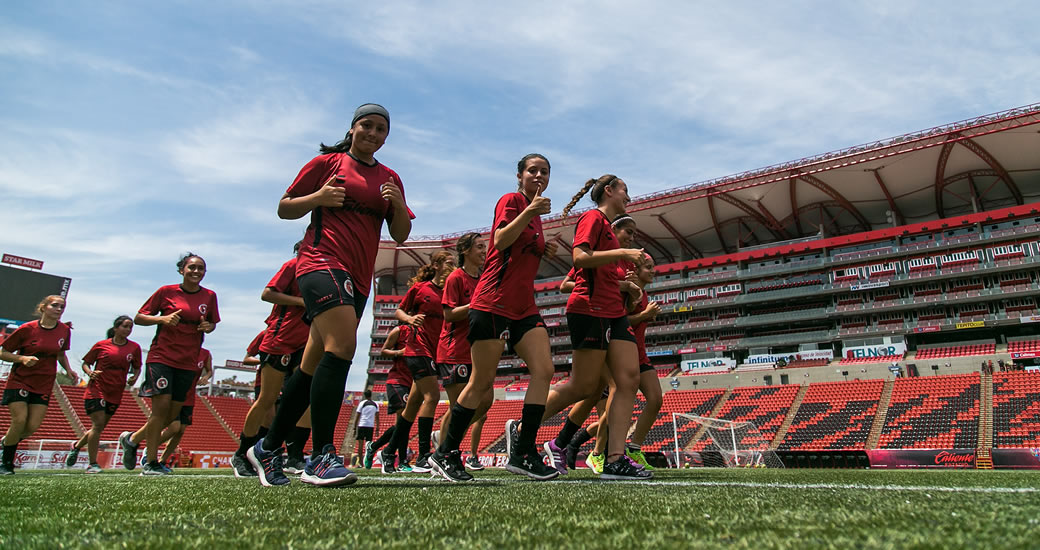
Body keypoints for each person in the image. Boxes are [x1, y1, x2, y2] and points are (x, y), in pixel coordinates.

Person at [247, 103, 413, 488]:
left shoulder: (390, 177)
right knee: (341, 349)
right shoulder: (327, 163)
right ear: (353, 128)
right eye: (366, 126)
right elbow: (284, 208)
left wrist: (400, 205)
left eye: (381, 129)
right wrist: (318, 198)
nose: (373, 134)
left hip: (357, 277)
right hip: (320, 262)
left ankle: (267, 448)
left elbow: (401, 234)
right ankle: (321, 456)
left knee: (311, 366)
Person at [429, 153, 559, 482]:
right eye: (533, 170)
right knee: (482, 383)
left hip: (523, 307)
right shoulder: (513, 201)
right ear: (520, 176)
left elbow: (518, 258)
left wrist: (543, 250)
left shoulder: (536, 216)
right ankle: (445, 453)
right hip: (492, 303)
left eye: (545, 171)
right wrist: (529, 210)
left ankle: (524, 452)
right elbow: (499, 241)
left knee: (544, 370)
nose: (539, 175)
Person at [540, 174, 650, 480]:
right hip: (590, 309)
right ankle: (525, 428)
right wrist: (622, 255)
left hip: (612, 312)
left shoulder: (610, 233)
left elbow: (603, 273)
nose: (629, 196)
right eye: (625, 190)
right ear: (610, 191)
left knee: (628, 379)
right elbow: (580, 257)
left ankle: (614, 459)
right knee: (583, 386)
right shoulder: (592, 218)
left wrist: (625, 284)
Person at [123, 253, 219, 476]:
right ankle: (151, 462)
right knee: (161, 409)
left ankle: (132, 439)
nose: (196, 272)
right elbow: (139, 317)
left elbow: (212, 323)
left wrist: (208, 327)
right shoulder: (166, 291)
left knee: (171, 415)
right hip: (162, 357)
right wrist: (161, 319)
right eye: (192, 267)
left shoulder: (210, 296)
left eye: (201, 268)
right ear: (181, 270)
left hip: (188, 361)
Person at [232, 243, 311, 478]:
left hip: (306, 343)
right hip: (280, 339)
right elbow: (267, 294)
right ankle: (242, 453)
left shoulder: (325, 273)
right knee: (267, 400)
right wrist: (300, 302)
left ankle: (295, 456)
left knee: (304, 400)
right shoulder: (292, 266)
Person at [383, 251, 455, 473]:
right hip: (418, 348)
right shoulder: (420, 289)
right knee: (432, 397)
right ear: (436, 266)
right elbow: (399, 311)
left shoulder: (451, 291)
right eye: (449, 263)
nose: (452, 266)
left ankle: (387, 452)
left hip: (437, 351)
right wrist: (410, 319)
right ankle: (424, 455)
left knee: (412, 407)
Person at [0, 295, 78, 475]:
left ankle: (5, 443)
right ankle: (6, 464)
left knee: (32, 426)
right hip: (20, 379)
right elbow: (3, 352)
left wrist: (68, 370)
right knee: (19, 420)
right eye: (55, 305)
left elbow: (60, 355)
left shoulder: (65, 330)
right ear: (43, 307)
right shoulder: (27, 329)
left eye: (62, 306)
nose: (59, 309)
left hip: (44, 382)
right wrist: (22, 358)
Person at [435, 232, 492, 471]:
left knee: (485, 401)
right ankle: (445, 453)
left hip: (475, 352)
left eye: (484, 247)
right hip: (453, 351)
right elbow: (448, 314)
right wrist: (475, 305)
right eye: (479, 247)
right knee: (458, 405)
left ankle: (445, 443)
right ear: (465, 251)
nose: (483, 250)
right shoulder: (456, 278)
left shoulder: (482, 278)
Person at [65, 316, 142, 473]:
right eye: (125, 326)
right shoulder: (101, 346)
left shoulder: (134, 348)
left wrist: (134, 377)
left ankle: (76, 446)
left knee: (98, 428)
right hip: (97, 389)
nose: (128, 330)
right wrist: (90, 372)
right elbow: (86, 363)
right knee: (98, 425)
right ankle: (92, 464)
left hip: (116, 391)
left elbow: (137, 367)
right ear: (116, 328)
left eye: (130, 327)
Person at [121, 348, 212, 472]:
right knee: (174, 426)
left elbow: (209, 371)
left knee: (180, 430)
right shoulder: (179, 348)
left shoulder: (205, 353)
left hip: (189, 396)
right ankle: (147, 448)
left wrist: (206, 377)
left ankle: (160, 460)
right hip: (173, 393)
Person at [369, 324, 414, 473]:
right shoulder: (399, 331)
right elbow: (383, 350)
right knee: (404, 421)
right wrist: (400, 352)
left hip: (413, 381)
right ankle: (398, 460)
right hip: (397, 380)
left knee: (402, 424)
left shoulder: (426, 333)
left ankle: (375, 447)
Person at [352, 390, 379, 467]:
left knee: (360, 445)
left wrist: (354, 427)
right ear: (371, 395)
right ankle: (367, 463)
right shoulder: (375, 404)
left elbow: (357, 415)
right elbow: (377, 417)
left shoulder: (362, 403)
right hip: (370, 426)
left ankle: (360, 463)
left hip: (362, 425)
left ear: (365, 395)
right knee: (368, 446)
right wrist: (377, 428)